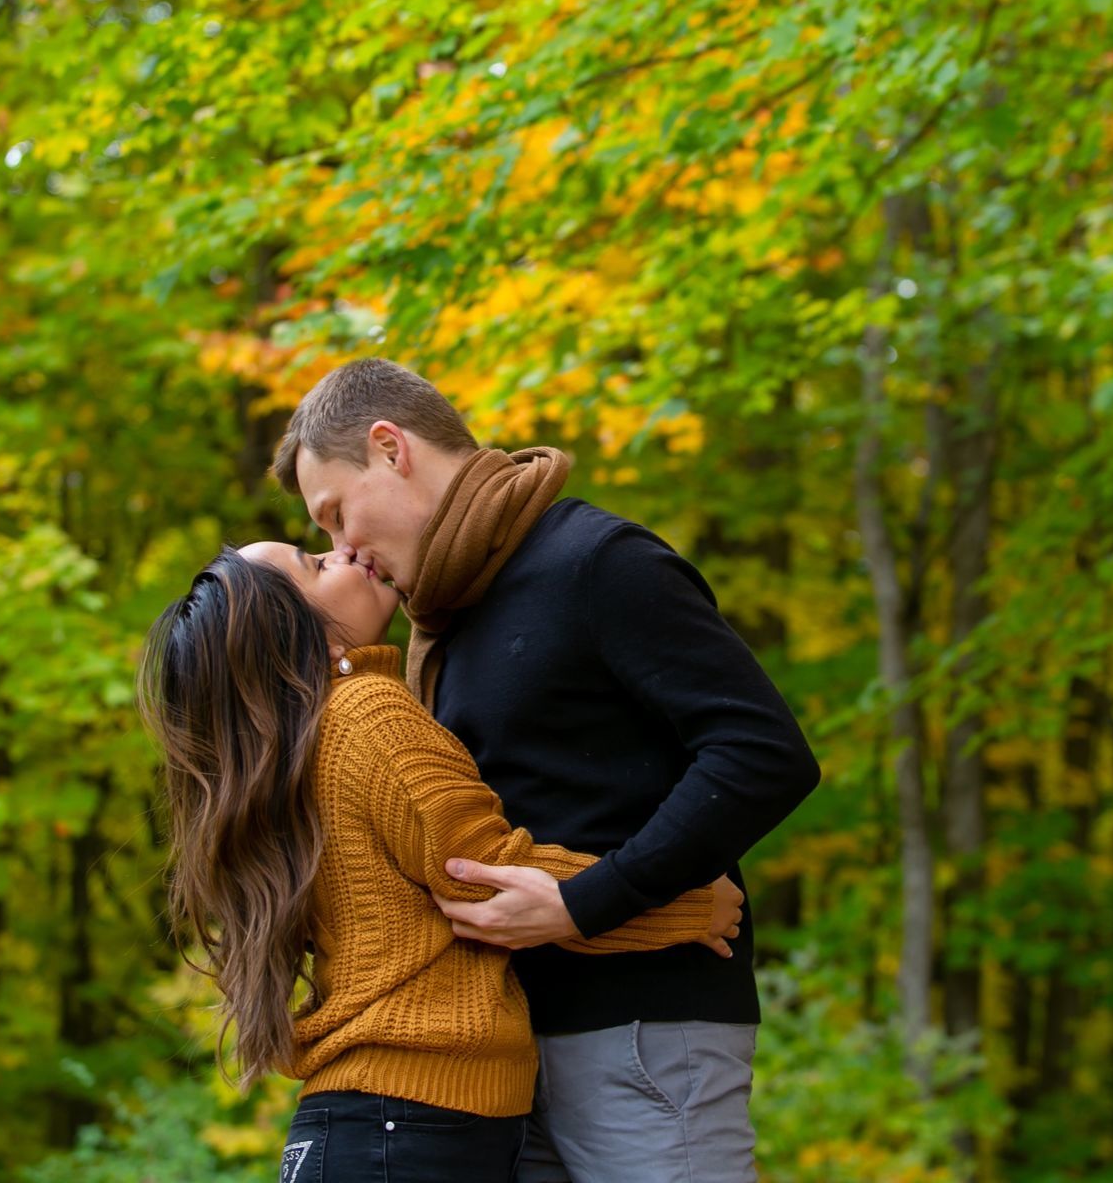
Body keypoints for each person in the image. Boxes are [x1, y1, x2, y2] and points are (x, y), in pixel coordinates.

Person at [270, 358, 822, 1182]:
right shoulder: (448, 623)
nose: (342, 547)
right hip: (511, 1063)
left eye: (336, 513)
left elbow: (765, 753)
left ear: (391, 449)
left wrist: (585, 903)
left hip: (643, 1033)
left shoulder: (595, 561)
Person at [137, 544, 746, 1181]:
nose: (340, 549)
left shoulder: (294, 754)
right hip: (408, 1123)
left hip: (357, 1126)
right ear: (297, 640)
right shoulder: (367, 717)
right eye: (316, 564)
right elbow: (487, 880)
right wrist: (681, 905)